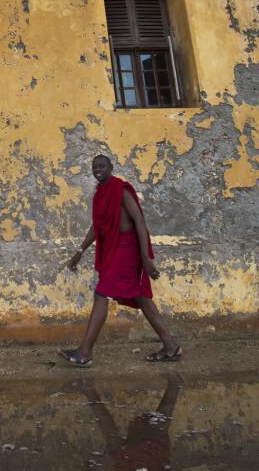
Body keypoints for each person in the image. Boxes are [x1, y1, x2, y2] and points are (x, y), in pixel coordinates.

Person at [60, 154, 181, 366]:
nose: (98, 169)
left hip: (128, 250)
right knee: (141, 297)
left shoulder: (121, 190)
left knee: (101, 293)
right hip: (114, 250)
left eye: (102, 166)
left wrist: (146, 258)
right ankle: (171, 346)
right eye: (94, 167)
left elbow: (140, 223)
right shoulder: (100, 195)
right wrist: (80, 250)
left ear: (111, 167)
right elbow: (97, 226)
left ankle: (84, 353)